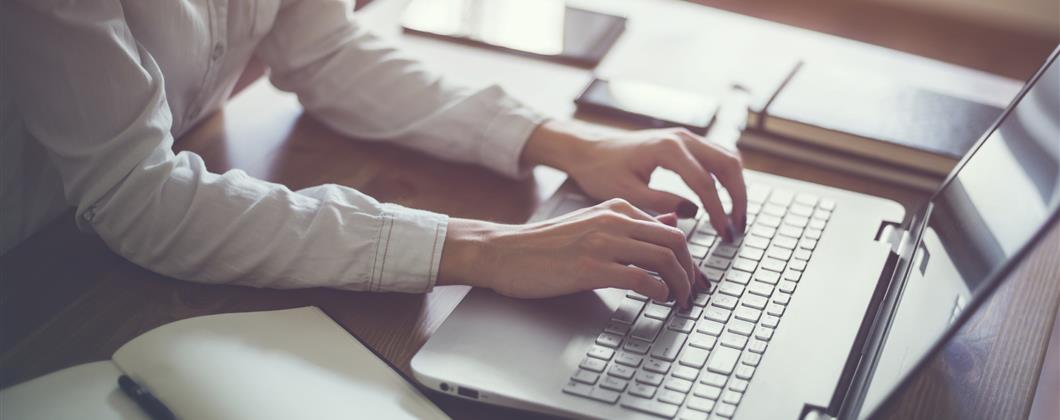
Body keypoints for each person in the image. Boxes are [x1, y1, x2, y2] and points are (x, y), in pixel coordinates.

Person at [1, 0, 746, 310]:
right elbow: (138, 193)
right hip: (31, 284)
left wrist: (563, 140)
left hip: (118, 246)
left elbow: (321, 47)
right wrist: (484, 249)